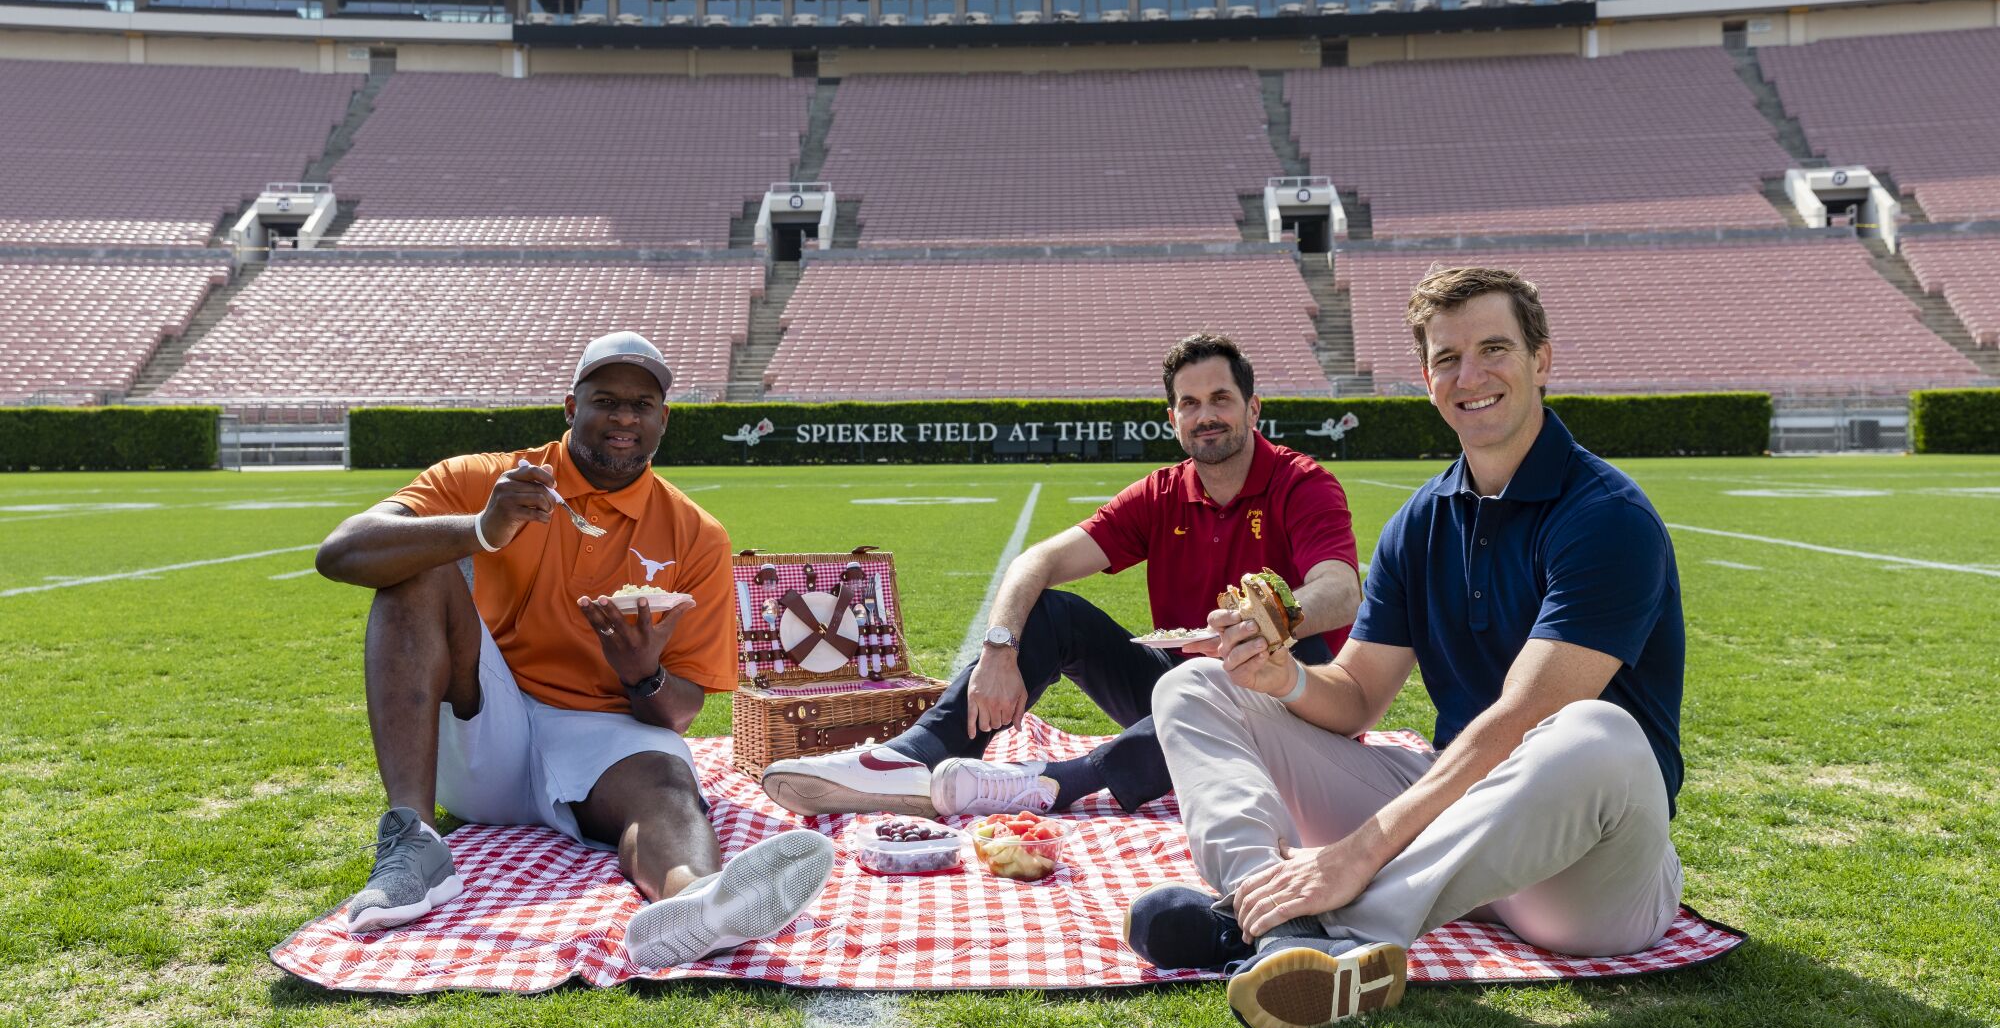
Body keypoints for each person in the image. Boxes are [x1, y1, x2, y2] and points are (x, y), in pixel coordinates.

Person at [1131, 267, 1687, 1028]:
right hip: (1451, 831)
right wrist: (1281, 676)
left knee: (1595, 730)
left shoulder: (1606, 514)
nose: (1471, 375)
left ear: (1541, 360)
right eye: (1446, 358)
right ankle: (1267, 913)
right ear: (1427, 380)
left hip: (1586, 873)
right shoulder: (1421, 521)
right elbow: (1358, 696)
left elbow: (1526, 716)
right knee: (1194, 685)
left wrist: (1360, 851)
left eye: (1494, 348)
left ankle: (1336, 922)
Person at [315, 331, 833, 969]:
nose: (624, 416)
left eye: (642, 404)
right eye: (605, 400)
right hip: (484, 727)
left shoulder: (696, 535)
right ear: (570, 407)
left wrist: (643, 676)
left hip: (604, 734)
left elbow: (680, 717)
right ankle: (413, 840)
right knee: (418, 565)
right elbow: (340, 552)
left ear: (663, 419)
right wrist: (479, 530)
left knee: (668, 785)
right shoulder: (488, 480)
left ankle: (697, 905)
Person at [760, 332, 1362, 820]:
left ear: (1253, 408)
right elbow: (1036, 562)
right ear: (1172, 417)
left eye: (1221, 399)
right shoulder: (1162, 492)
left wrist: (1260, 626)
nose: (1206, 416)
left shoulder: (1301, 483)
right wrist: (999, 650)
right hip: (1179, 692)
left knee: (1223, 674)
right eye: (1190, 403)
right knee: (1053, 614)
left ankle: (1050, 783)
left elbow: (1340, 589)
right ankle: (909, 760)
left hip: (1287, 709)